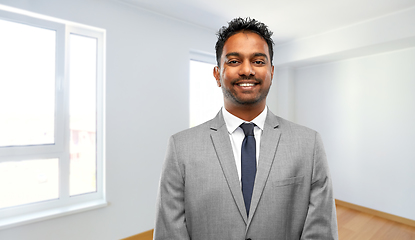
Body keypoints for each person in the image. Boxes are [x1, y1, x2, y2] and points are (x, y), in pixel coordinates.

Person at [154, 17, 338, 240]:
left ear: (271, 72)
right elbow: (169, 233)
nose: (247, 70)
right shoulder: (180, 147)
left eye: (258, 61)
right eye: (233, 61)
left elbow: (321, 231)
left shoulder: (309, 144)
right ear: (217, 74)